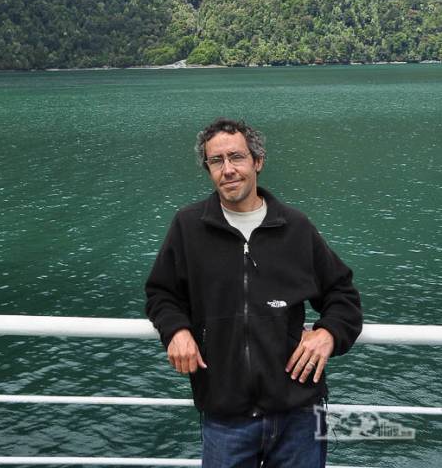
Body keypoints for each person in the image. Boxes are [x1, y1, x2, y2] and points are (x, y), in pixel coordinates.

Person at [145, 117, 363, 468]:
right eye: (216, 161)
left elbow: (343, 295)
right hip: (225, 416)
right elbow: (161, 293)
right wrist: (176, 330)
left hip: (299, 415)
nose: (228, 169)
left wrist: (328, 333)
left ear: (257, 162)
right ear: (208, 169)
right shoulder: (188, 227)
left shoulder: (295, 227)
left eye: (237, 157)